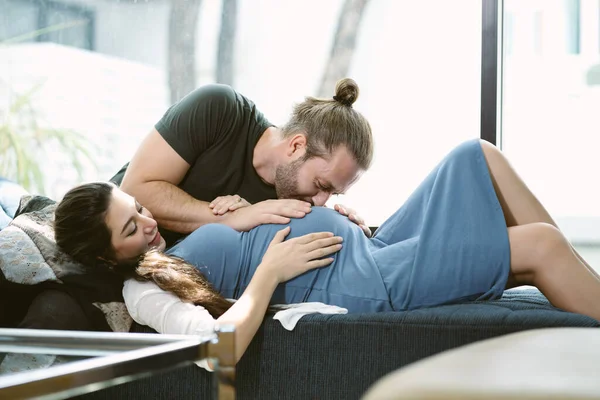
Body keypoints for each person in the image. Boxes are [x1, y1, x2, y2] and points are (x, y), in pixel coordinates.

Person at [54, 139, 600, 368]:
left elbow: (229, 234)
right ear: (107, 258)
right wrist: (269, 271)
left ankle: (582, 282)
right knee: (541, 244)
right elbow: (217, 350)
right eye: (131, 226)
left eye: (138, 208)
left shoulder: (170, 243)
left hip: (368, 248)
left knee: (475, 154)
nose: (149, 222)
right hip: (363, 284)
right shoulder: (143, 289)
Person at [110, 78, 375, 247]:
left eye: (333, 193)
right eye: (321, 184)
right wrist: (236, 218)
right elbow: (134, 190)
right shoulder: (219, 109)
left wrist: (350, 238)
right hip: (97, 240)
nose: (320, 201)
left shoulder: (294, 205)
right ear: (296, 145)